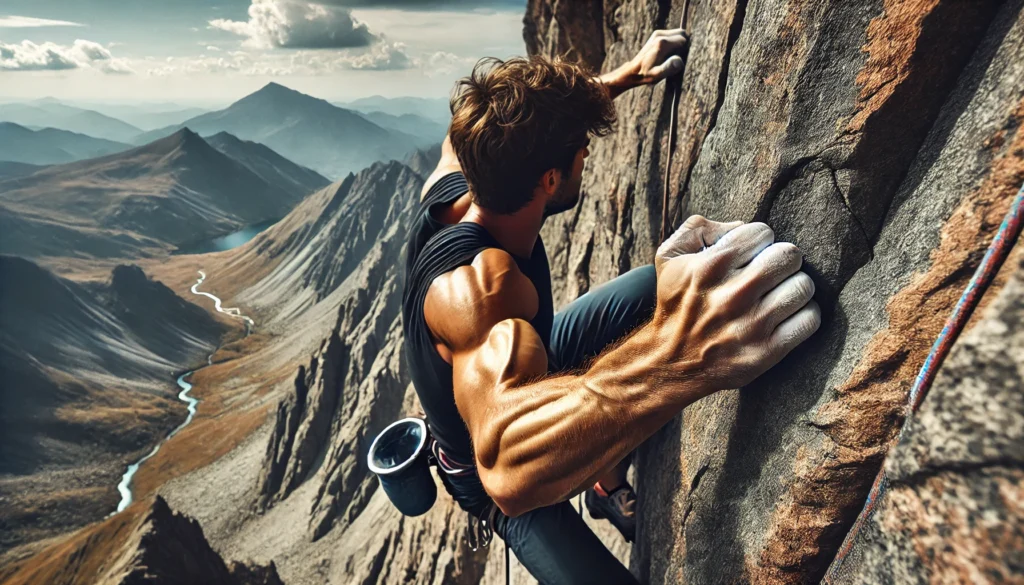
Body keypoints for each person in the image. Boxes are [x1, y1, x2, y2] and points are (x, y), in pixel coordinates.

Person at [401, 29, 821, 585]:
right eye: (582, 152)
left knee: (663, 286)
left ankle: (603, 483)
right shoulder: (481, 292)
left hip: (531, 358)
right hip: (497, 476)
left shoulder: (465, 166)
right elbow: (505, 463)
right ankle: (597, 473)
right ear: (551, 179)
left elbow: (524, 121)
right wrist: (678, 352)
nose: (586, 157)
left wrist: (624, 76)